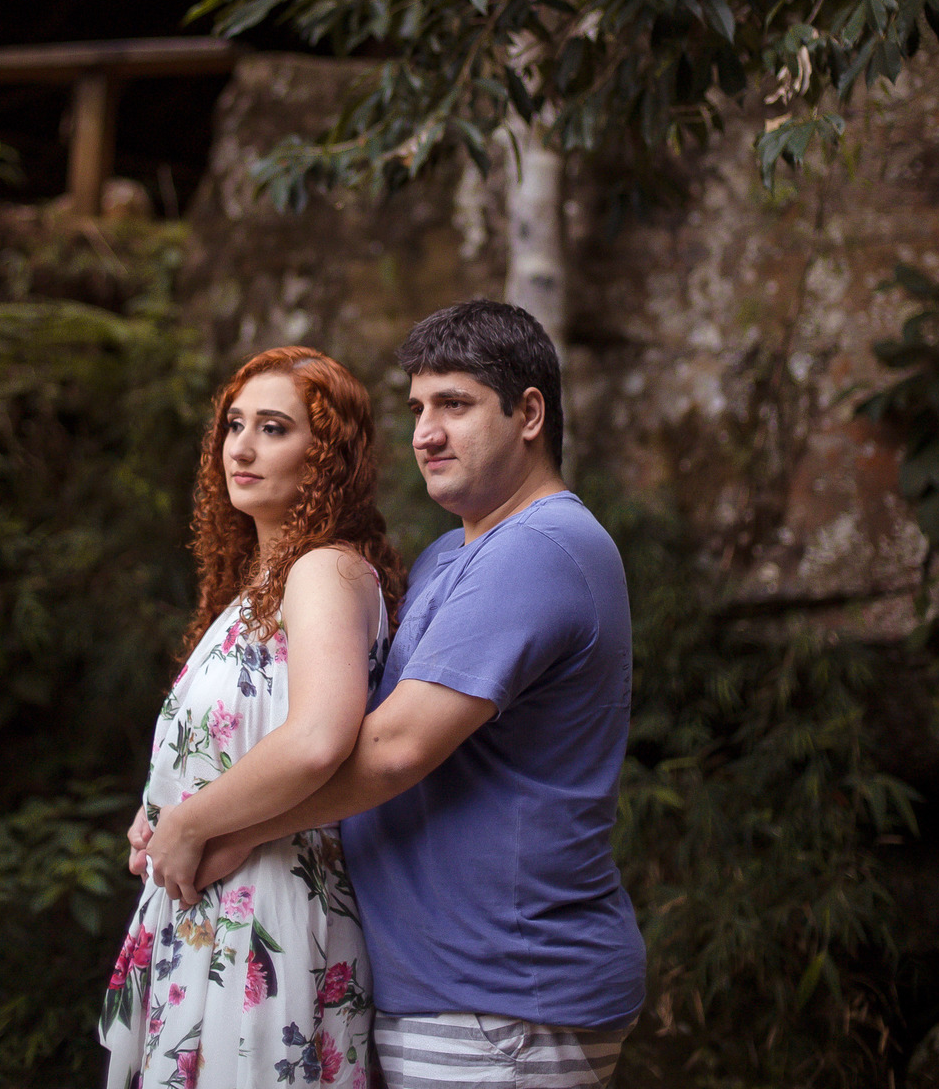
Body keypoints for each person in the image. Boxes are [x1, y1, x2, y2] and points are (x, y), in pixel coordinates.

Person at [147, 299, 646, 1089]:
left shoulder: (542, 548)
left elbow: (391, 747)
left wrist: (218, 826)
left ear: (529, 414)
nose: (426, 432)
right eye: (417, 407)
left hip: (502, 999)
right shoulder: (456, 553)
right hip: (442, 991)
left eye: (455, 404)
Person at [102, 344, 405, 1089]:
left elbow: (317, 740)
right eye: (235, 424)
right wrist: (161, 815)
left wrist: (190, 822)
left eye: (274, 427)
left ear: (326, 454)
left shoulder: (324, 570)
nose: (241, 445)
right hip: (213, 912)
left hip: (269, 915)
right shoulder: (257, 589)